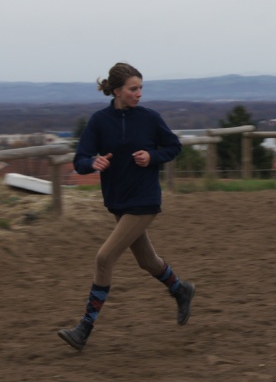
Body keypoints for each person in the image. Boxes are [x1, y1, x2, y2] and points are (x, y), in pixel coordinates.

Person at [58, 62, 195, 351]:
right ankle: (180, 289)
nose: (139, 94)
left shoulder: (150, 118)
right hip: (117, 203)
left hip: (144, 201)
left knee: (104, 257)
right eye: (134, 89)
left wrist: (152, 157)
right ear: (118, 90)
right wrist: (92, 163)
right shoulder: (98, 121)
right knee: (148, 262)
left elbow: (174, 146)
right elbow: (80, 159)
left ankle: (84, 328)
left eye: (141, 88)